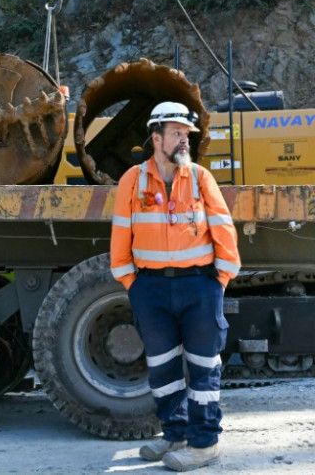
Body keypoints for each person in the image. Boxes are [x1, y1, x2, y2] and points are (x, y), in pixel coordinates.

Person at [110, 101, 241, 472]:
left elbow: (224, 231)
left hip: (199, 286)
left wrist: (220, 280)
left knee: (203, 368)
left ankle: (204, 444)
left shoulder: (200, 177)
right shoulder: (132, 181)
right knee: (162, 369)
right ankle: (174, 433)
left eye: (187, 134)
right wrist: (131, 283)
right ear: (157, 138)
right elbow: (121, 236)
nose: (185, 140)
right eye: (177, 134)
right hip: (150, 288)